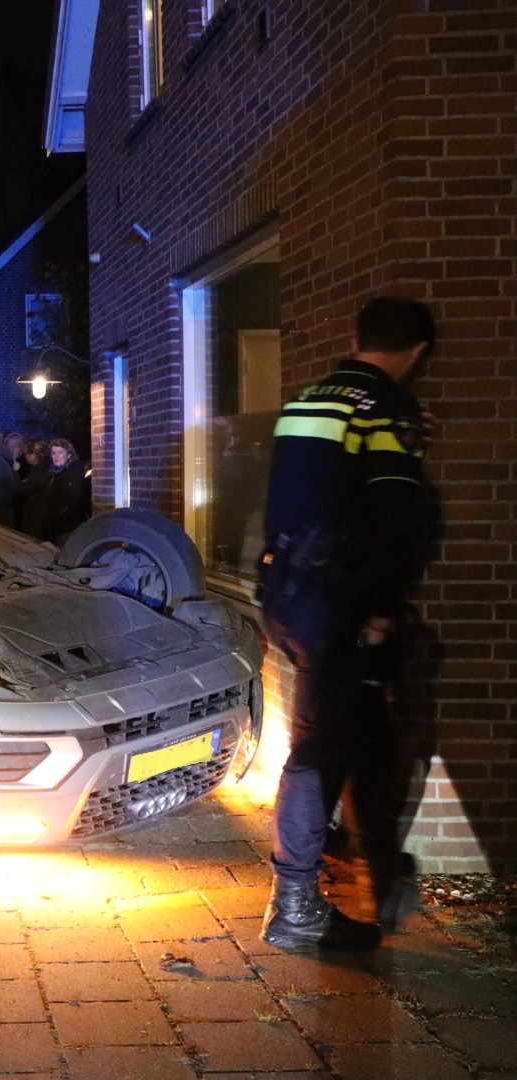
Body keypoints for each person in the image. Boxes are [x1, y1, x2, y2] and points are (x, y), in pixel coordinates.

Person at [256, 296, 437, 953]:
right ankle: (296, 909)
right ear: (416, 352)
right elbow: (393, 516)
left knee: (341, 732)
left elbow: (286, 498)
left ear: (355, 336)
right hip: (340, 601)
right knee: (323, 746)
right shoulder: (389, 408)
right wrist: (382, 609)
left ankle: (333, 863)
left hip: (289, 592)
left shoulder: (308, 401)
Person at [30, 438, 90, 544]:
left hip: (66, 528)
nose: (56, 456)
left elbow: (74, 502)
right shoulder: (53, 474)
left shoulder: (72, 475)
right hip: (55, 527)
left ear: (69, 455)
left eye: (60, 452)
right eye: (53, 453)